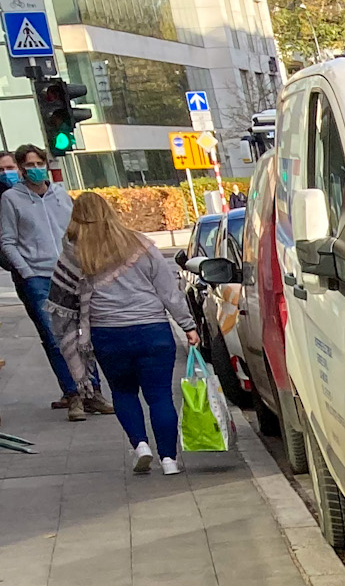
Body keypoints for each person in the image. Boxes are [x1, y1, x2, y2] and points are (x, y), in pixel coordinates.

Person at [50, 190, 199, 474]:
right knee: (160, 396)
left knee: (124, 392)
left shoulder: (72, 254)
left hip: (108, 335)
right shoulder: (139, 244)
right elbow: (168, 291)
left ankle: (140, 445)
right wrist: (188, 325)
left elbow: (60, 300)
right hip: (153, 330)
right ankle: (169, 460)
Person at [0, 147, 86, 414]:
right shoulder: (12, 199)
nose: (35, 168)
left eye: (40, 163)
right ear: (22, 168)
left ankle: (91, 391)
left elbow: (75, 231)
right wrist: (26, 271)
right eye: (29, 165)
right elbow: (7, 240)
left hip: (69, 273)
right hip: (37, 277)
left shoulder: (60, 194)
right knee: (54, 337)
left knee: (81, 334)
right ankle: (74, 395)